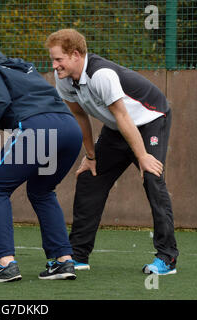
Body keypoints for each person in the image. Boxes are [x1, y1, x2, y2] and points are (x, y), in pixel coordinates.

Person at [0, 26, 83, 283]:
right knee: (42, 191)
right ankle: (63, 261)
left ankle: (4, 263)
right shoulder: (14, 63)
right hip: (69, 129)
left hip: (38, 128)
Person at [45, 29, 179, 275]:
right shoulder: (63, 79)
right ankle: (78, 256)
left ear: (75, 55)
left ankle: (167, 258)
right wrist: (91, 156)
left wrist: (142, 157)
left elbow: (122, 115)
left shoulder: (101, 75)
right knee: (89, 178)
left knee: (152, 177)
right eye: (53, 60)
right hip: (119, 127)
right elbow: (79, 115)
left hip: (150, 118)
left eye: (58, 59)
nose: (54, 65)